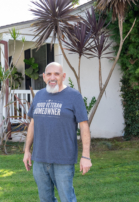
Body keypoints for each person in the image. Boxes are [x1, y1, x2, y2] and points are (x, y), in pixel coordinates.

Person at [23, 62, 92, 202]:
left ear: (63, 76)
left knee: (67, 199)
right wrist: (26, 151)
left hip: (63, 161)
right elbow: (33, 124)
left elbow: (84, 126)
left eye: (56, 74)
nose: (52, 77)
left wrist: (86, 156)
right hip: (40, 160)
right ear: (44, 77)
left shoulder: (74, 96)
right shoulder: (39, 96)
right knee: (45, 199)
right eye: (49, 74)